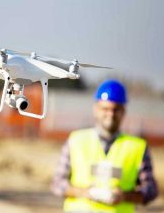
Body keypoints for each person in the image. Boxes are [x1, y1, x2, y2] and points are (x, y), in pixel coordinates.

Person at [51, 79, 158, 213]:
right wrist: (84, 192)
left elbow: (151, 190)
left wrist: (124, 196)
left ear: (123, 111)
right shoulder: (76, 140)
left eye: (115, 109)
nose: (110, 114)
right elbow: (57, 184)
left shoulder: (137, 147)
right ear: (96, 109)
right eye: (105, 108)